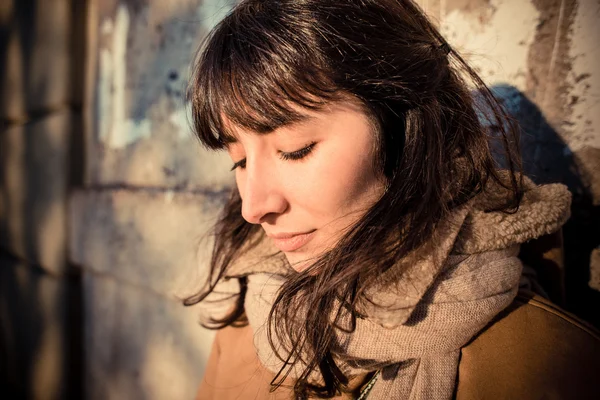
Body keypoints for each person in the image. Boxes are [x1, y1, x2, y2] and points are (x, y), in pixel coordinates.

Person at [184, 0, 600, 399]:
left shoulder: (540, 364)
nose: (253, 207)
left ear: (401, 126)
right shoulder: (248, 314)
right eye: (238, 161)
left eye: (295, 149)